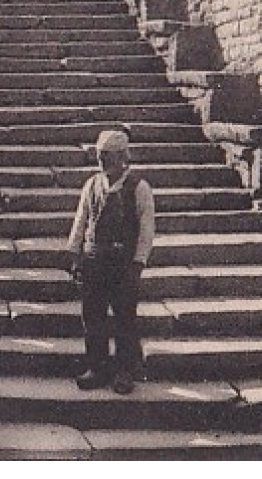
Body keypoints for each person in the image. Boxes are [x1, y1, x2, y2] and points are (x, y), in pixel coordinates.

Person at [65, 129, 155, 395]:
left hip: (122, 263)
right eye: (100, 155)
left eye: (109, 156)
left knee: (124, 317)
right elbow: (81, 220)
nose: (103, 161)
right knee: (92, 316)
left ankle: (125, 371)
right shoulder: (92, 185)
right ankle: (98, 366)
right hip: (94, 260)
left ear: (123, 157)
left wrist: (139, 262)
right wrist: (74, 253)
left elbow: (146, 230)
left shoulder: (138, 187)